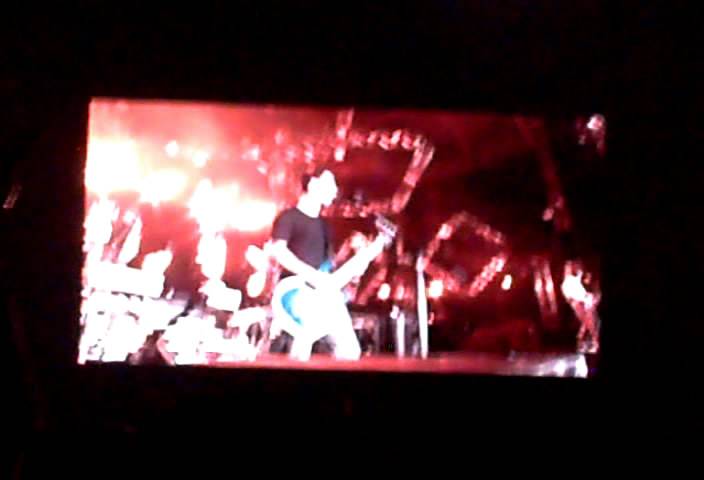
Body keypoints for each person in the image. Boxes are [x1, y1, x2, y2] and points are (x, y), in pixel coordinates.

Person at [269, 167, 385, 361]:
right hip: (296, 293)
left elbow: (329, 268)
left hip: (324, 295)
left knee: (349, 352)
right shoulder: (288, 217)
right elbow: (279, 251)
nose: (335, 190)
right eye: (330, 184)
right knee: (301, 349)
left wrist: (360, 260)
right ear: (313, 184)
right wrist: (313, 276)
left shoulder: (325, 226)